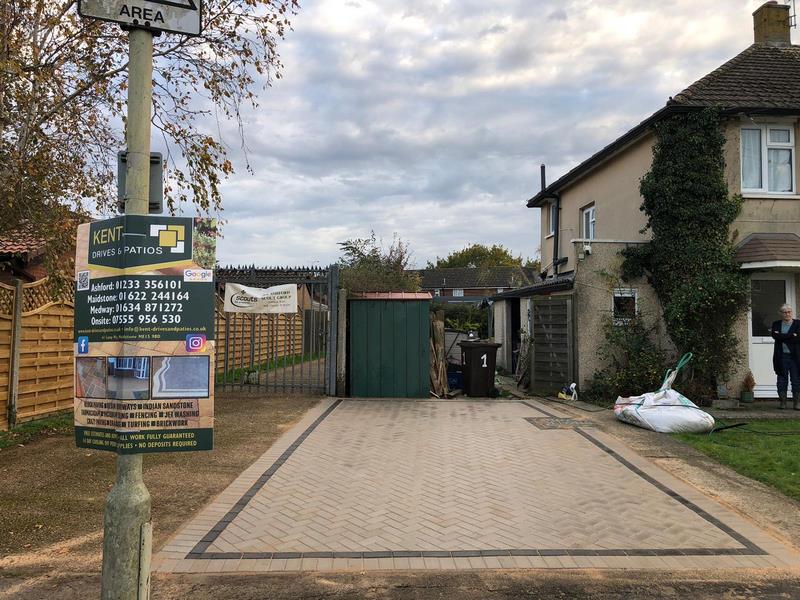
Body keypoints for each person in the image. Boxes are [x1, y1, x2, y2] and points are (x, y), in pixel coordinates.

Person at [771, 303, 800, 409]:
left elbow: (798, 338)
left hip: (795, 358)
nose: (787, 314)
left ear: (791, 312)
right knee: (782, 379)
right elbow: (775, 336)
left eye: (789, 312)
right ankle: (783, 402)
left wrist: (782, 336)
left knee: (796, 380)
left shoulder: (798, 324)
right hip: (781, 356)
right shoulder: (776, 324)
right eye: (785, 312)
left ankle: (797, 403)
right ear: (781, 314)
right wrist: (792, 335)